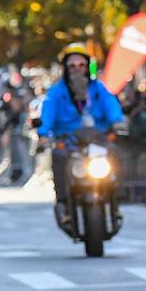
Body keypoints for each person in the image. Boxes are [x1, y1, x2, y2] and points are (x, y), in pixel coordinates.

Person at [37, 44, 125, 224]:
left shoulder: (99, 89)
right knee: (58, 155)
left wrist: (118, 122)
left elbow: (111, 105)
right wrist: (43, 133)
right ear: (66, 68)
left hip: (97, 138)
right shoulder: (56, 92)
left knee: (114, 152)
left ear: (87, 66)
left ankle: (116, 200)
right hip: (69, 141)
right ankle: (63, 203)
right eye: (72, 65)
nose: (77, 69)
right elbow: (47, 113)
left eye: (81, 65)